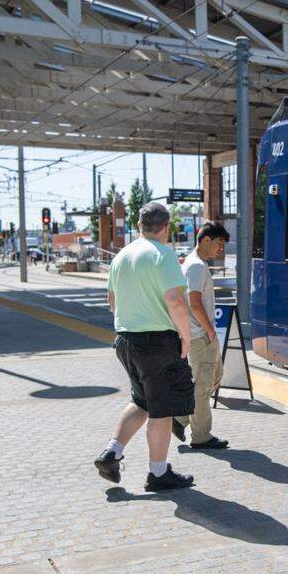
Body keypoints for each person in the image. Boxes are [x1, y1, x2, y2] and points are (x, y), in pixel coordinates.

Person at [93, 202, 196, 492]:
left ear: (139, 226)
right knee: (161, 410)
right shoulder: (162, 255)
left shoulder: (121, 256)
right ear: (166, 228)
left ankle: (111, 453)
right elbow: (175, 301)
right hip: (158, 344)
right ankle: (158, 474)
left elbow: (112, 301)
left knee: (142, 401)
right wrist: (186, 336)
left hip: (126, 340)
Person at [171, 222, 230, 450]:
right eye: (219, 244)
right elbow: (195, 303)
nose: (220, 249)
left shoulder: (193, 264)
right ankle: (201, 436)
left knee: (214, 376)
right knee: (203, 386)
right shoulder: (196, 267)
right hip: (200, 335)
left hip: (199, 335)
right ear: (206, 240)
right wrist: (210, 330)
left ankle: (181, 419)